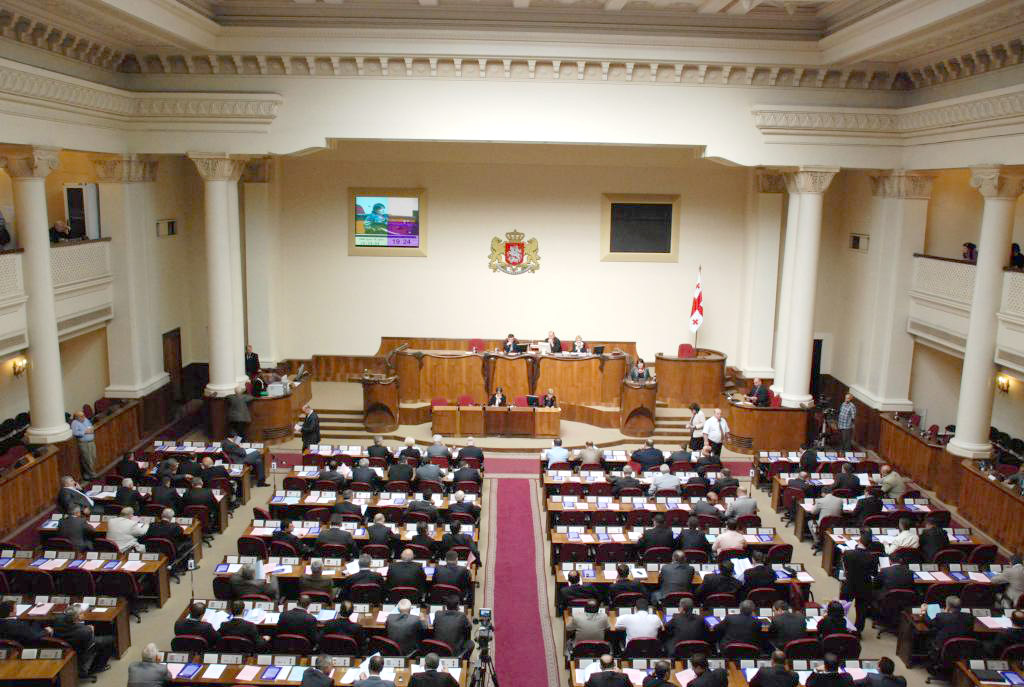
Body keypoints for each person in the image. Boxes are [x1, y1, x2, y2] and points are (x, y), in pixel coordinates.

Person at [55, 606, 114, 678]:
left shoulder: (58, 619)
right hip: (81, 649)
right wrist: (91, 631)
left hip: (66, 645)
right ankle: (99, 667)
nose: (84, 614)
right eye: (82, 613)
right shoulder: (85, 631)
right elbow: (89, 644)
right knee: (110, 639)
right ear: (77, 617)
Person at [842, 529, 879, 633]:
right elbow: (874, 573)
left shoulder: (848, 553)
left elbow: (845, 567)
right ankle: (857, 631)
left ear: (859, 541)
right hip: (864, 586)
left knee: (843, 607)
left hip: (849, 584)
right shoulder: (872, 557)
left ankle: (839, 626)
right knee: (861, 610)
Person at [923, 595, 975, 662]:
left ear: (948, 607)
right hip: (962, 650)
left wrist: (925, 611)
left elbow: (929, 622)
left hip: (942, 648)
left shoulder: (941, 616)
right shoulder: (969, 617)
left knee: (927, 637)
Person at [70, 411, 97, 480]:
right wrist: (85, 431)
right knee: (87, 459)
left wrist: (92, 429)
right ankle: (92, 475)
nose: (83, 417)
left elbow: (91, 426)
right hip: (84, 443)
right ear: (76, 417)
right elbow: (75, 433)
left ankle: (89, 474)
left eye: (83, 415)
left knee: (93, 457)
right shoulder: (74, 423)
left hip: (91, 442)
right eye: (81, 416)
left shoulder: (86, 420)